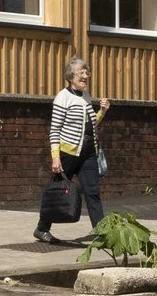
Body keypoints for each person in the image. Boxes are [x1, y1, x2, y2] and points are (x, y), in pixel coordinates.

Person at [34, 55, 110, 246]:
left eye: (86, 72)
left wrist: (102, 112)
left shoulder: (85, 96)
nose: (85, 76)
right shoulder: (63, 97)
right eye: (81, 72)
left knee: (92, 192)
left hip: (88, 153)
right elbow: (54, 130)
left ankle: (102, 234)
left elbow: (89, 125)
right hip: (67, 154)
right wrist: (55, 157)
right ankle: (42, 229)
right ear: (70, 76)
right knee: (57, 191)